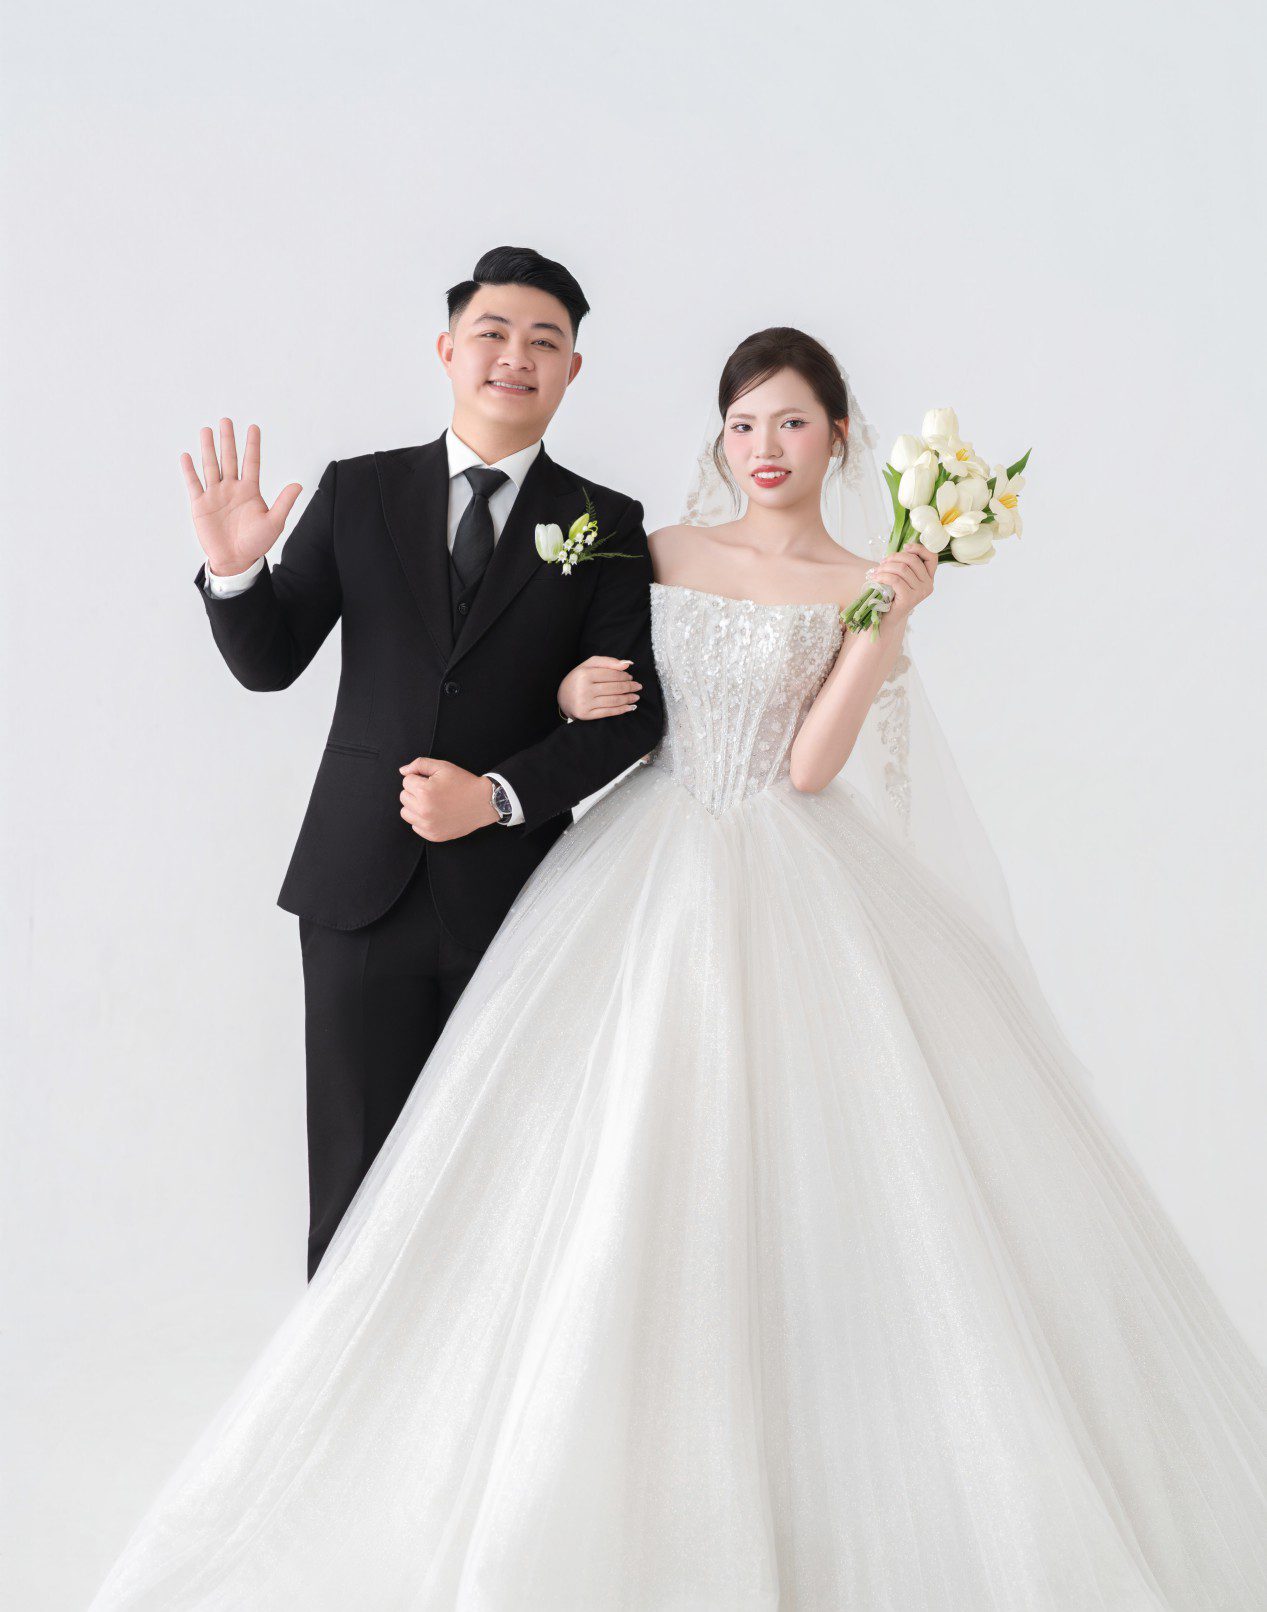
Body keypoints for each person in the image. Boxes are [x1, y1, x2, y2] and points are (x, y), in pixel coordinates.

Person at [94, 329, 1267, 1608]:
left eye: (791, 423)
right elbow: (588, 681)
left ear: (838, 436)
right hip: (635, 865)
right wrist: (575, 693)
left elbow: (810, 768)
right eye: (742, 423)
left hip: (789, 871)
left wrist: (881, 623)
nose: (764, 448)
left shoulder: (858, 580)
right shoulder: (655, 551)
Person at [181, 246, 665, 1278]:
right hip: (357, 883)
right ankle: (342, 1376)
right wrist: (233, 573)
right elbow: (270, 663)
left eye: (544, 341)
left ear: (573, 369)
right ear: (448, 351)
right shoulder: (358, 492)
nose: (516, 356)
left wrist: (497, 797)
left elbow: (632, 719)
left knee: (505, 1175)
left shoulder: (607, 523)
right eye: (492, 333)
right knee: (353, 1183)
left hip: (518, 896)